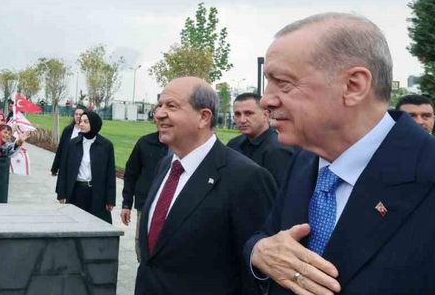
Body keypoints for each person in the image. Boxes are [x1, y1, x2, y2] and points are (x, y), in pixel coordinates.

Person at [246, 13, 435, 295]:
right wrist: (259, 251)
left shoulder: (431, 170)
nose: (266, 100)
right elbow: (269, 237)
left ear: (353, 86)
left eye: (283, 83)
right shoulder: (304, 161)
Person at [136, 77, 275, 295]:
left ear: (203, 117)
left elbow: (254, 271)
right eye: (159, 105)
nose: (159, 114)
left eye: (171, 106)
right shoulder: (166, 165)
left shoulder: (247, 177)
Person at [120, 121, 169, 261]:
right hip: (145, 204)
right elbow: (131, 174)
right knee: (141, 243)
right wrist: (126, 204)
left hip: (170, 206)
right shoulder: (144, 143)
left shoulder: (181, 146)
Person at [56, 110, 116, 223]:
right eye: (81, 121)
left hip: (97, 193)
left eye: (86, 122)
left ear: (94, 124)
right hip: (77, 192)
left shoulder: (106, 146)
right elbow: (64, 169)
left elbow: (110, 174)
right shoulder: (72, 144)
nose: (81, 124)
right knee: (76, 224)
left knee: (97, 225)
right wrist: (61, 192)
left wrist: (110, 199)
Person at [226, 92, 294, 187]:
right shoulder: (233, 144)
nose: (242, 120)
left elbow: (279, 192)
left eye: (248, 113)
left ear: (265, 115)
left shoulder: (278, 150)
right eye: (237, 114)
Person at [50, 107, 84, 176]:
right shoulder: (68, 130)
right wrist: (55, 168)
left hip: (80, 167)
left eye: (80, 115)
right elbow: (60, 149)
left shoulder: (86, 132)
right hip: (66, 164)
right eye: (76, 114)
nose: (78, 116)